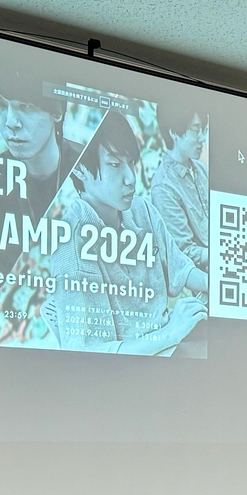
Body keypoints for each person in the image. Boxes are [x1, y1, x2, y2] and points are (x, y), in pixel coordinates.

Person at [47, 110, 207, 354]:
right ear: (79, 169)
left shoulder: (142, 210)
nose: (130, 178)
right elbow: (90, 356)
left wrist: (220, 285)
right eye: (114, 164)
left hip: (172, 343)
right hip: (136, 365)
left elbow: (182, 270)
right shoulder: (70, 244)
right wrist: (169, 334)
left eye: (131, 162)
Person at [0, 64, 84, 274]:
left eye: (26, 106)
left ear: (56, 110)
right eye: (0, 104)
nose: (11, 122)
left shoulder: (90, 166)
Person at [151, 104, 209, 271]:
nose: (202, 138)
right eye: (196, 130)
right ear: (174, 132)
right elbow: (183, 252)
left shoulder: (203, 170)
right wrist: (224, 253)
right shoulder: (163, 186)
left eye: (203, 130)